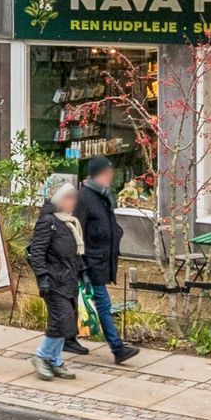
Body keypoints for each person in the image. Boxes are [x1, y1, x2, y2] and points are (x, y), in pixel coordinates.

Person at [74, 155, 138, 364]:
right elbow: (76, 230)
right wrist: (80, 263)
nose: (110, 177)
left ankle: (64, 337)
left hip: (102, 259)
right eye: (106, 173)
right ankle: (117, 348)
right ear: (96, 175)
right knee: (103, 303)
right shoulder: (84, 198)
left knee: (75, 300)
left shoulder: (103, 196)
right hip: (91, 261)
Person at [27, 175, 84, 380]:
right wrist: (42, 277)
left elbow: (73, 253)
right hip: (53, 281)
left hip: (68, 279)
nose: (73, 203)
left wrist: (81, 271)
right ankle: (42, 356)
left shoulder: (69, 223)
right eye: (70, 199)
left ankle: (56, 360)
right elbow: (37, 251)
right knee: (62, 320)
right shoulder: (48, 222)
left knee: (65, 322)